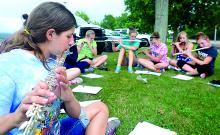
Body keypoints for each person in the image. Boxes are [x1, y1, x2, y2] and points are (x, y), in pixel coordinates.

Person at [0, 2, 120, 135]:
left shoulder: (52, 62)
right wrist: (16, 118)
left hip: (55, 131)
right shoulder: (7, 65)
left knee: (100, 108)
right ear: (50, 34)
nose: (71, 42)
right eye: (69, 36)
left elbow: (77, 114)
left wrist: (68, 98)